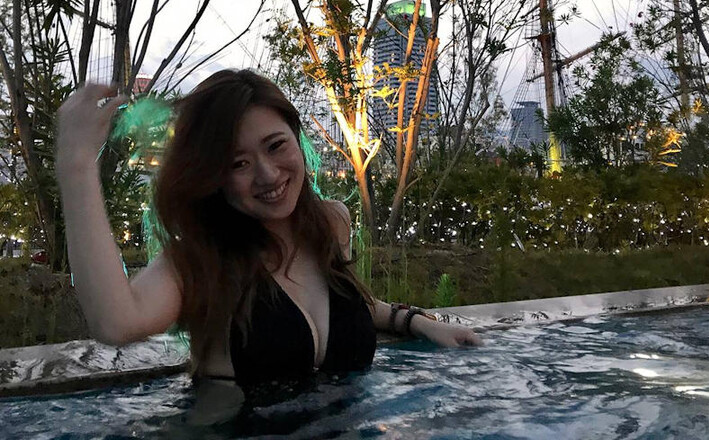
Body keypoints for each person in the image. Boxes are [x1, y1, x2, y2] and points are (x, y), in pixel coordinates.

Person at [56, 69, 480, 397]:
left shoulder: (331, 223)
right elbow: (116, 323)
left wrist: (419, 323)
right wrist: (76, 165)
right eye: (238, 163)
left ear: (296, 138)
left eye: (276, 146)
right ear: (213, 176)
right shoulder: (199, 260)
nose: (268, 174)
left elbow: (348, 303)